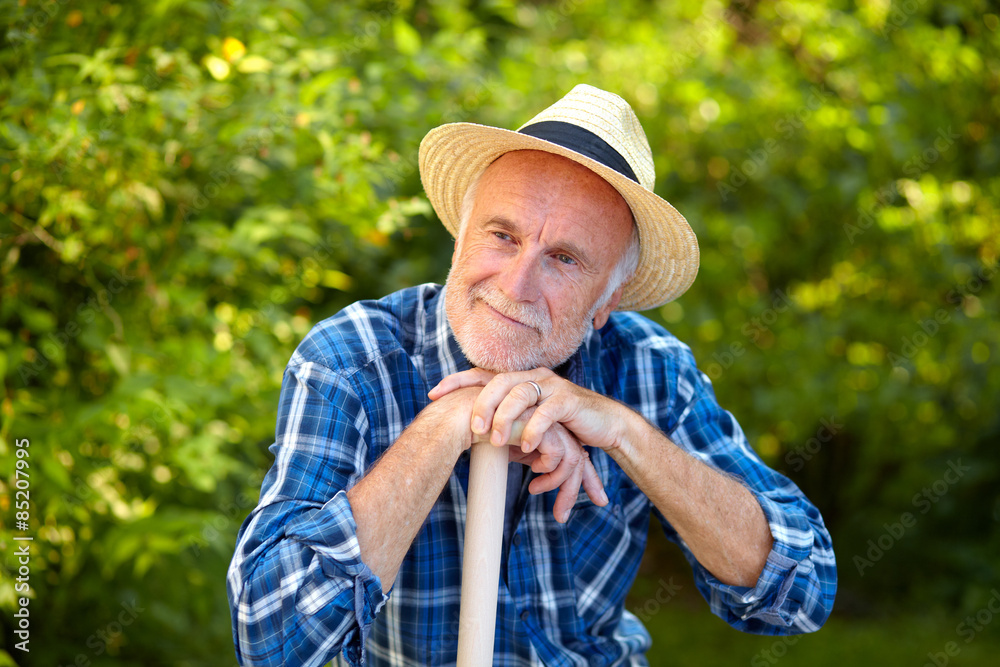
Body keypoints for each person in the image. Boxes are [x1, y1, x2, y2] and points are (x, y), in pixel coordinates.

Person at [226, 84, 836, 666]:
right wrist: (447, 425)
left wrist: (622, 432)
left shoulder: (650, 369)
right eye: (501, 235)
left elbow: (800, 593)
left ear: (607, 301)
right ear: (459, 238)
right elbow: (272, 640)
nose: (516, 286)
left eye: (564, 259)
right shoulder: (350, 359)